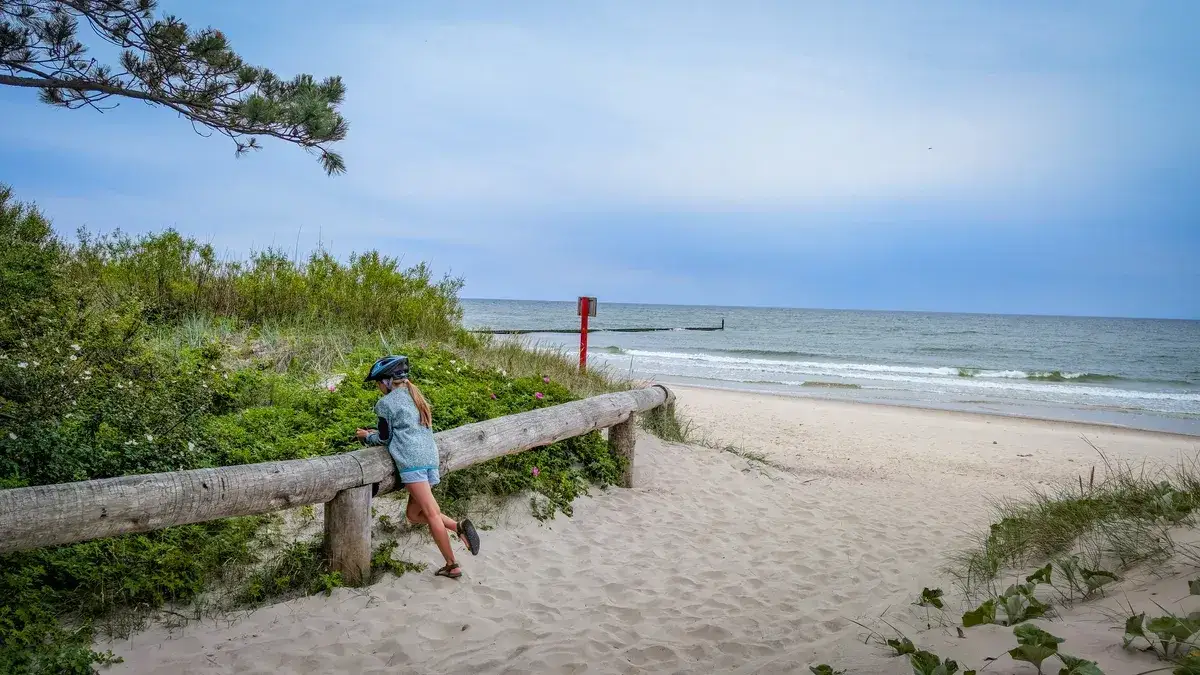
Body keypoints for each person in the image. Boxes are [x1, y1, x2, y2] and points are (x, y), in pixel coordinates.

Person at [357, 355, 480, 579]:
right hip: (429, 459)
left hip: (411, 463)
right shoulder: (416, 395)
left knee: (431, 514)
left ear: (386, 382)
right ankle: (457, 526)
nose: (378, 388)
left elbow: (384, 438)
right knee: (413, 514)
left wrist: (367, 437)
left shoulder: (385, 403)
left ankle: (452, 565)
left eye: (377, 384)